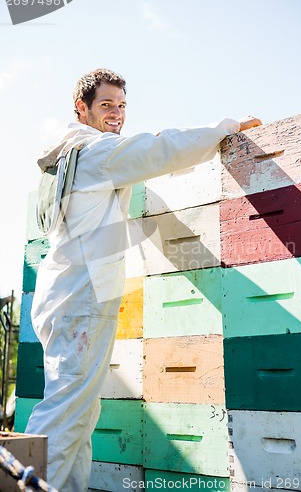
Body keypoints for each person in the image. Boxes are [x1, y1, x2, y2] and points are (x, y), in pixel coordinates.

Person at [25, 68, 262, 491]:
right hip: (80, 298)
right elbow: (159, 149)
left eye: (121, 106)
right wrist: (224, 129)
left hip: (63, 295)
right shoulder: (96, 151)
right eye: (106, 105)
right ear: (82, 109)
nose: (116, 114)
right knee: (65, 413)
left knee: (78, 414)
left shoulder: (67, 157)